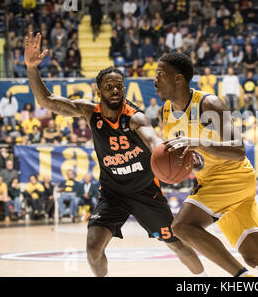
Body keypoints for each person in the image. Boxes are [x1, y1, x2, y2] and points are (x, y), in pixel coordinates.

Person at [24, 32, 204, 277]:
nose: (115, 91)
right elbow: (47, 101)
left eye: (119, 86)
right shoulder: (90, 112)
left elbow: (153, 140)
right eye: (109, 87)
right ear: (99, 92)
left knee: (175, 242)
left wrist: (171, 153)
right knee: (93, 249)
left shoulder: (135, 117)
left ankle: (203, 279)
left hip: (145, 193)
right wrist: (32, 68)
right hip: (112, 193)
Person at [157, 52, 258, 277]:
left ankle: (243, 279)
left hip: (231, 176)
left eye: (160, 74)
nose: (154, 80)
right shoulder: (165, 112)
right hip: (213, 182)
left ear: (178, 78)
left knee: (182, 227)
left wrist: (199, 143)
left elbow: (238, 149)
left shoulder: (208, 104)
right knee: (255, 255)